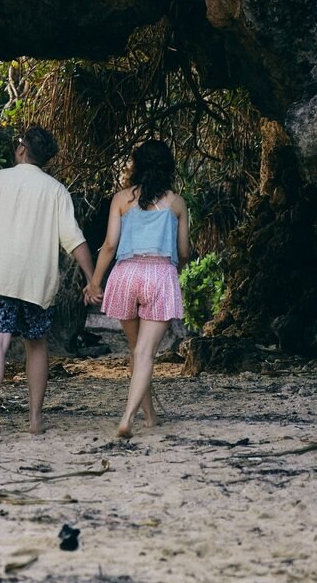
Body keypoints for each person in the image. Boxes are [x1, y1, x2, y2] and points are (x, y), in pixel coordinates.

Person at [0, 126, 96, 448]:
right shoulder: (55, 190)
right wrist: (92, 277)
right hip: (36, 281)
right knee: (36, 345)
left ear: (21, 149)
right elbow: (74, 240)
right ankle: (35, 420)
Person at [83, 140, 190, 437]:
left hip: (125, 274)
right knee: (145, 353)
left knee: (136, 351)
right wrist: (175, 268)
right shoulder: (177, 203)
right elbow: (183, 252)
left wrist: (95, 282)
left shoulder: (121, 200)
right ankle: (127, 419)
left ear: (137, 166)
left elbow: (109, 246)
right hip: (158, 274)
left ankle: (150, 416)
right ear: (168, 167)